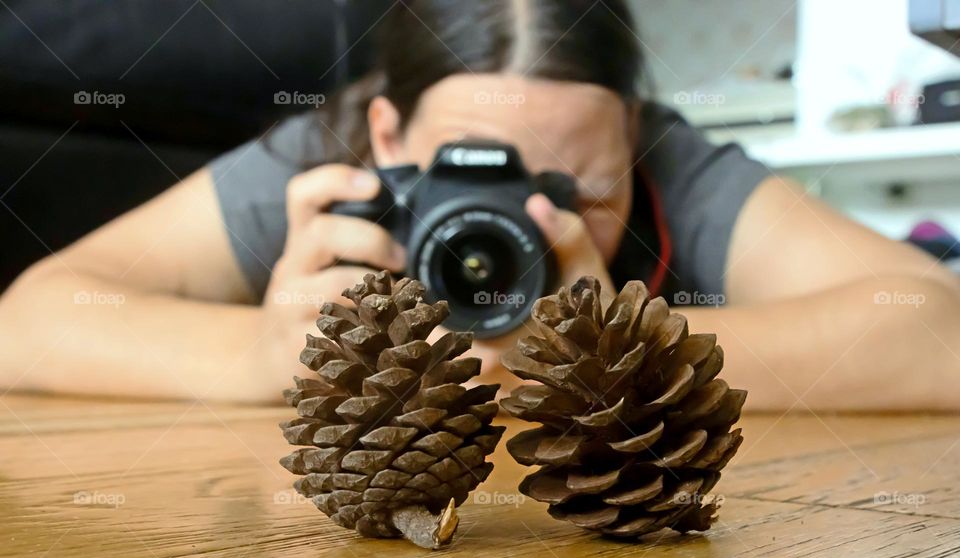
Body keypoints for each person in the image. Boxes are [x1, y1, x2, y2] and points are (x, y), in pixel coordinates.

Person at [1, 0, 958, 411]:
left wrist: (612, 354)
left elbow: (936, 327)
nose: (518, 230)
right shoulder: (324, 162)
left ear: (632, 133)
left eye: (574, 193)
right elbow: (28, 322)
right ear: (387, 139)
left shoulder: (676, 160)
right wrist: (261, 355)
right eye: (468, 180)